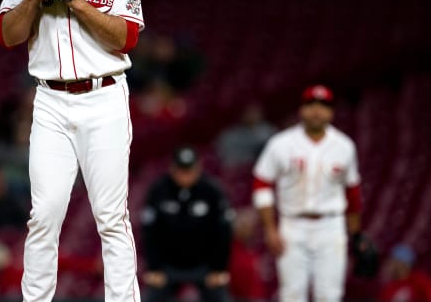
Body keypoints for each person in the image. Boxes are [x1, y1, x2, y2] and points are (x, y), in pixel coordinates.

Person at [0, 0, 144, 302]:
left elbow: (127, 38)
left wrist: (74, 0)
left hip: (105, 99)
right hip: (51, 105)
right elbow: (8, 34)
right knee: (43, 215)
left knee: (112, 218)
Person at [252, 84, 369, 302]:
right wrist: (269, 228)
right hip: (292, 225)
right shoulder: (281, 144)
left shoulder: (344, 146)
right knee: (292, 295)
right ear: (301, 110)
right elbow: (261, 182)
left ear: (331, 112)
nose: (317, 111)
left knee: (329, 295)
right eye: (311, 105)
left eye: (323, 106)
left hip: (330, 226)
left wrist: (356, 235)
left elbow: (352, 194)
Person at [140, 145, 233, 302]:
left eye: (189, 170)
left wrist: (219, 267)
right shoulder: (158, 190)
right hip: (166, 265)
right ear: (172, 169)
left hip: (205, 265)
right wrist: (153, 267)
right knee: (150, 297)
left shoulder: (212, 191)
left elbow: (224, 230)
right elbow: (149, 232)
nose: (185, 175)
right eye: (181, 170)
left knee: (220, 297)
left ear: (198, 169)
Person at [228, 207, 269, 302]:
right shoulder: (233, 253)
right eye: (244, 226)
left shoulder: (258, 250)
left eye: (252, 226)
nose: (249, 230)